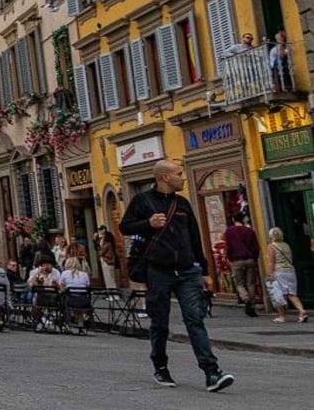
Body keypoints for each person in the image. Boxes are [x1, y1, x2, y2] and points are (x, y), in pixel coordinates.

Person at [120, 158, 234, 391]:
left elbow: (195, 237)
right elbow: (125, 227)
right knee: (160, 322)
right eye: (179, 174)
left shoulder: (182, 203)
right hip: (158, 270)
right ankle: (160, 366)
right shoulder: (142, 201)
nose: (182, 178)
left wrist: (204, 270)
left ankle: (212, 372)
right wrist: (148, 223)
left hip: (187, 270)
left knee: (195, 320)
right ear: (165, 177)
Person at [222, 212, 261, 317]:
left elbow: (228, 247)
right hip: (250, 259)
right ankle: (251, 305)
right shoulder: (250, 231)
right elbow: (256, 247)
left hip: (237, 260)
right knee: (251, 283)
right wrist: (254, 258)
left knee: (239, 283)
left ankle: (245, 298)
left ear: (233, 220)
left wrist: (230, 258)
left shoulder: (229, 231)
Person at [266, 227, 308, 323]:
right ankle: (302, 311)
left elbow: (271, 262)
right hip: (290, 271)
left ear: (271, 236)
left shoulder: (271, 246)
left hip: (279, 271)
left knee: (278, 294)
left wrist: (270, 274)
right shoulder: (286, 245)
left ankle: (282, 316)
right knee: (291, 293)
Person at [27, 254, 63, 328]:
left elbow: (61, 287)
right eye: (46, 265)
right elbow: (30, 284)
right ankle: (38, 320)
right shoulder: (35, 272)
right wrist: (38, 273)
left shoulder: (55, 272)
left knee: (63, 299)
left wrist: (57, 285)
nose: (48, 267)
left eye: (50, 265)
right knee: (36, 298)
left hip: (53, 296)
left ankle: (62, 322)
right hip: (40, 296)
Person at [59, 257, 92, 330]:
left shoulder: (64, 273)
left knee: (64, 301)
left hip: (70, 300)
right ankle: (80, 324)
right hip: (83, 300)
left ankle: (67, 323)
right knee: (80, 306)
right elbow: (88, 287)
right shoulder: (85, 274)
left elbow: (61, 288)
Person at [94, 226, 120, 291]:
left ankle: (112, 292)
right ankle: (113, 292)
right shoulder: (109, 243)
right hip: (110, 261)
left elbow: (100, 252)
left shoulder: (107, 244)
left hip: (107, 261)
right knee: (111, 278)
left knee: (109, 278)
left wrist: (96, 240)